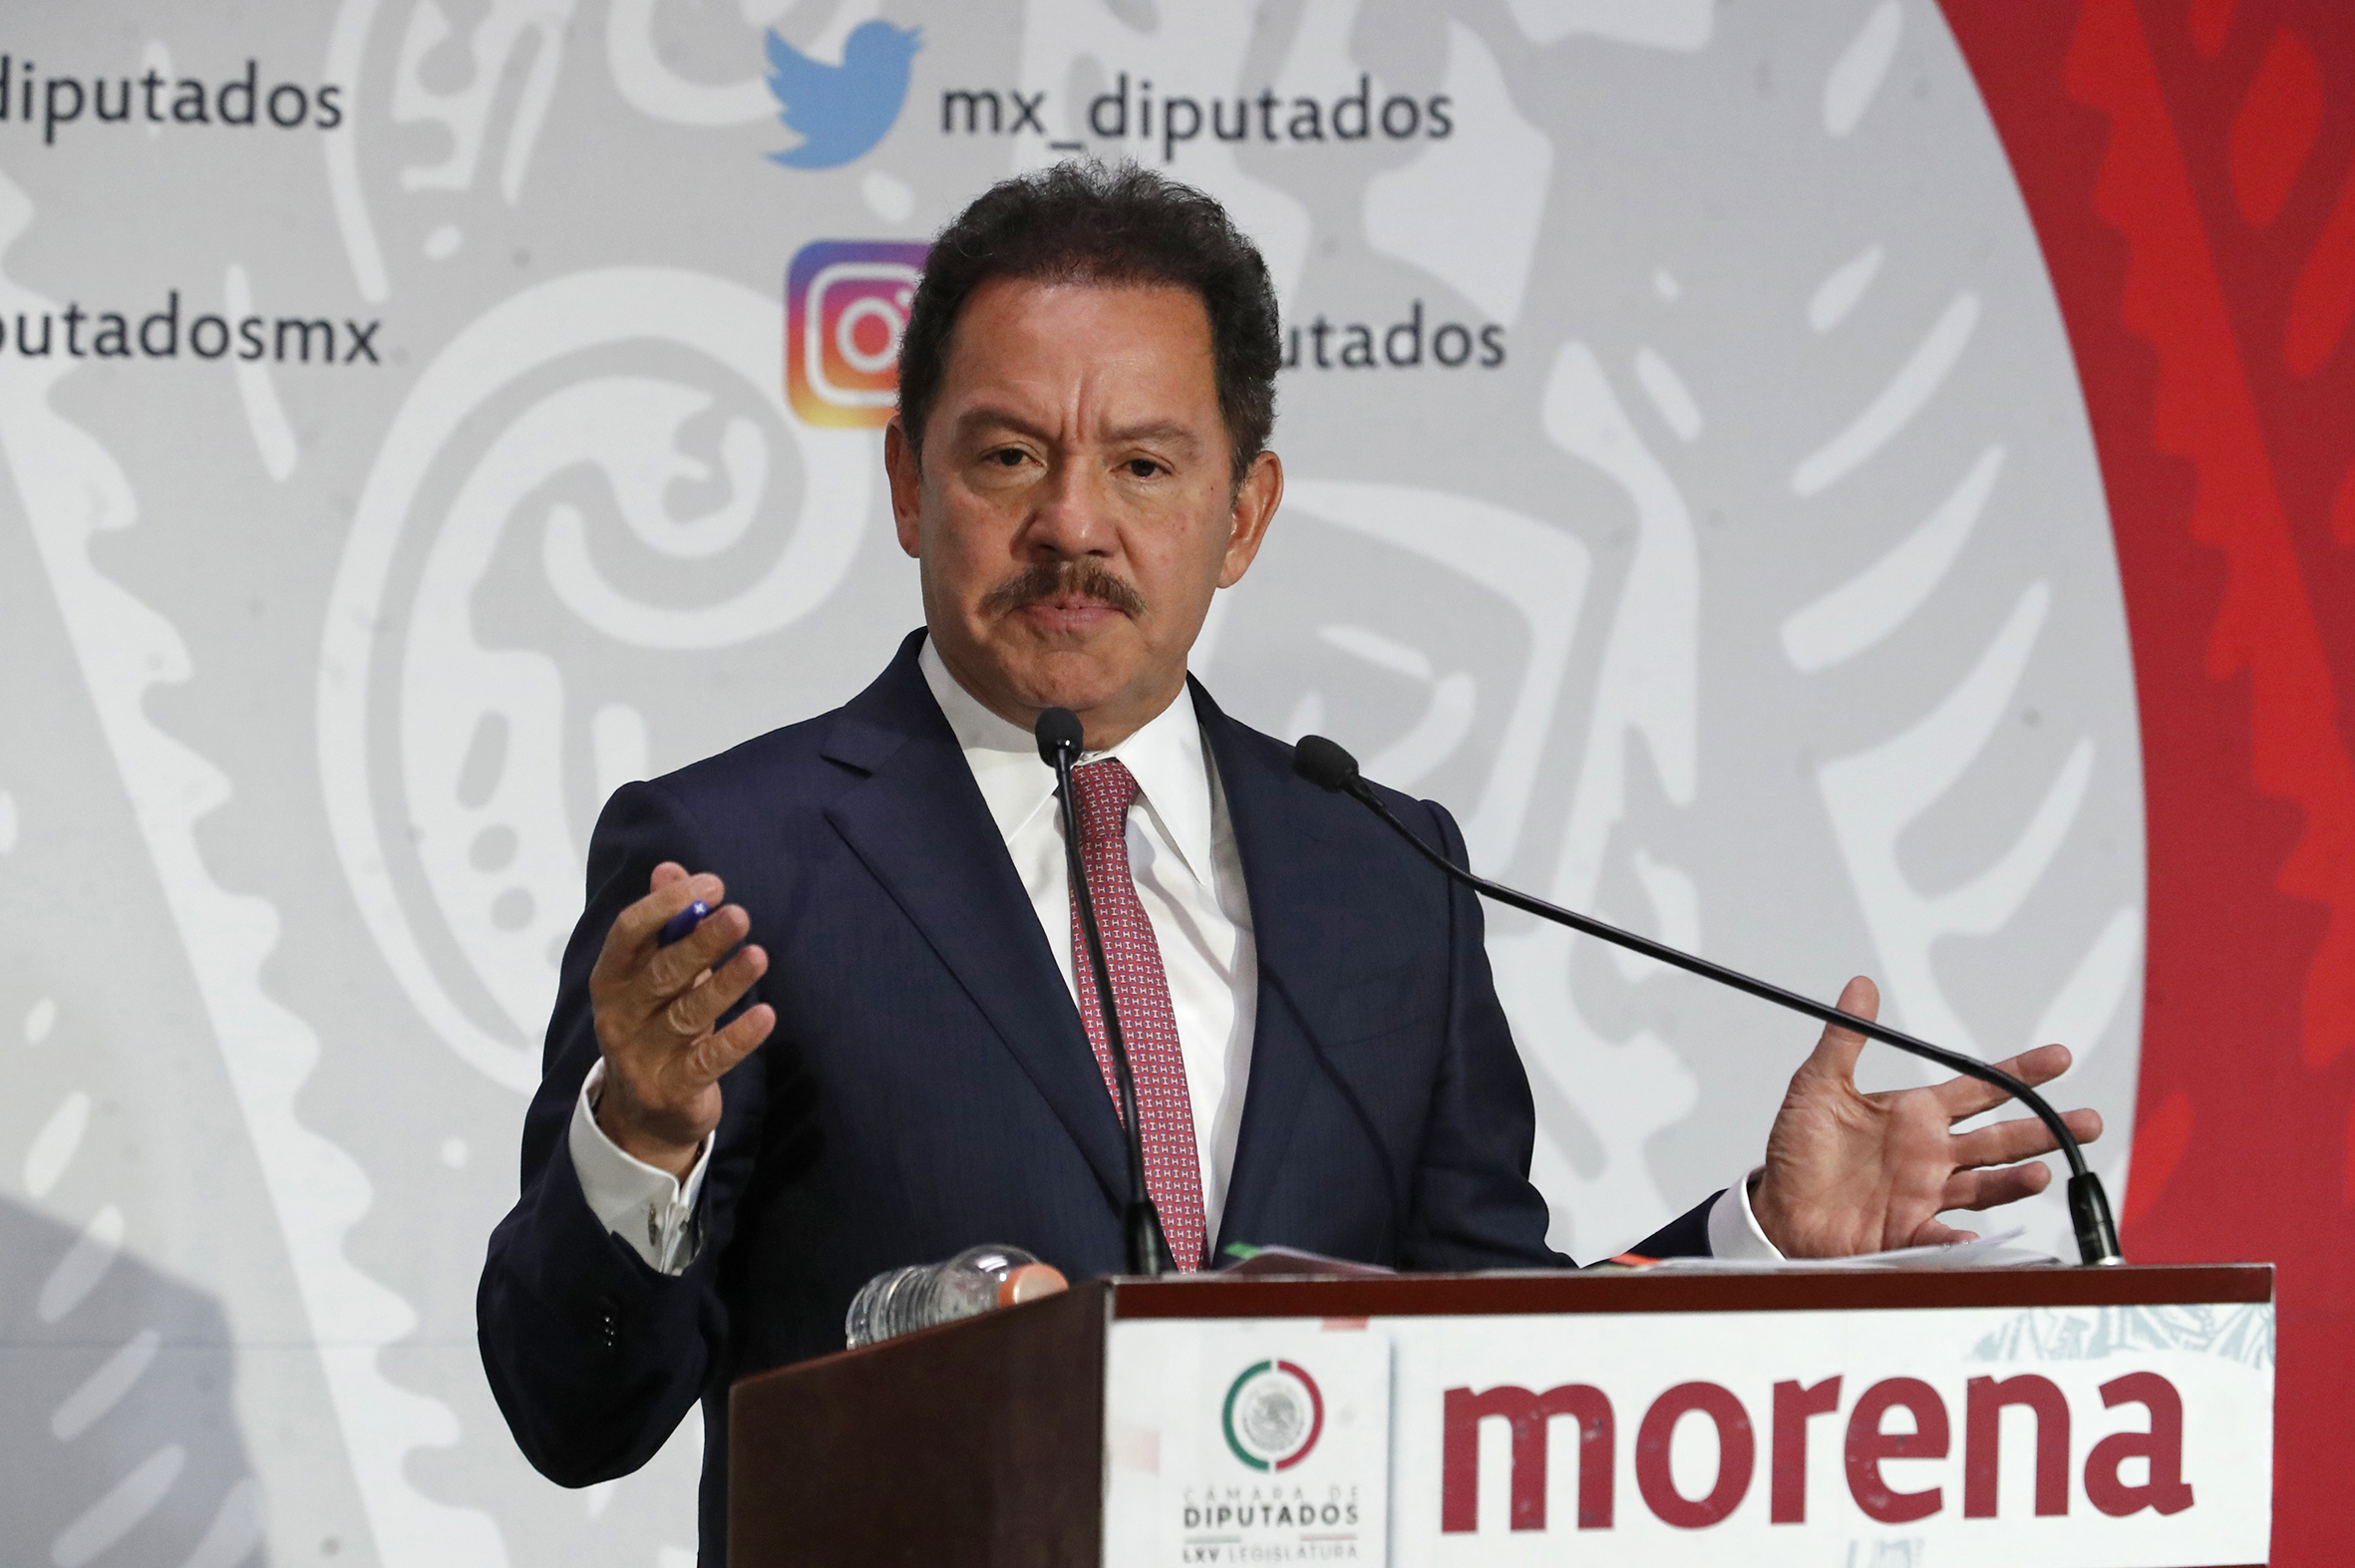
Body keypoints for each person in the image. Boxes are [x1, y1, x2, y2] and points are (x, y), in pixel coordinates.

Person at [477, 161, 2099, 1558]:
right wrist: (640, 1139)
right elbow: (573, 1413)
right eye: (1007, 455)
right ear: (908, 484)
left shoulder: (1381, 872)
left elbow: (1488, 1355)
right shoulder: (737, 859)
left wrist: (1755, 1238)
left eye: (1143, 463)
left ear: (1242, 513)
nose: (1072, 525)